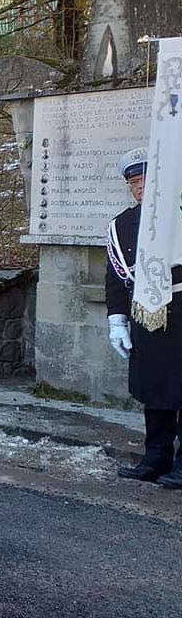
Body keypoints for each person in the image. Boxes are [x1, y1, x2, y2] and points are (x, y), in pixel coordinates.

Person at [106, 147, 182, 488]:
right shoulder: (121, 225)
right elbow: (117, 278)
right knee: (154, 390)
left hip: (180, 310)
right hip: (147, 317)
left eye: (145, 180)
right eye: (133, 182)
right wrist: (116, 321)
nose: (139, 187)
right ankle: (155, 458)